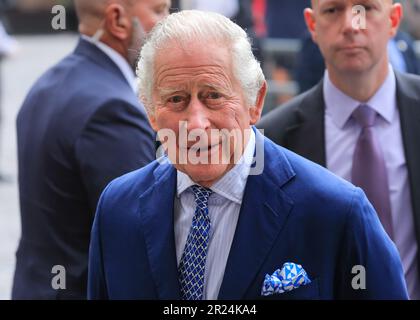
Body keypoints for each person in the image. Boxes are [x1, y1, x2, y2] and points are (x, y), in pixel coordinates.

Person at [88, 10, 408, 300]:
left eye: (213, 95)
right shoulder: (118, 209)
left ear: (255, 102)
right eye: (176, 99)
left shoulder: (336, 211)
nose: (196, 123)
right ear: (150, 112)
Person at [259, 0, 420, 299]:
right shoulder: (274, 142)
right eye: (333, 10)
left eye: (366, 9)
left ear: (394, 19)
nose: (350, 25)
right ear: (312, 24)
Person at [13, 0, 170, 300]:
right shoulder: (113, 109)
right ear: (117, 20)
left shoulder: (48, 82)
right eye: (159, 10)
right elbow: (142, 237)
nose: (168, 22)